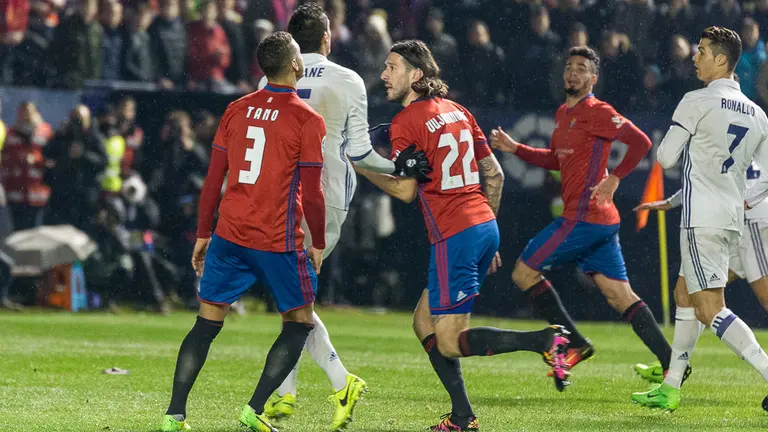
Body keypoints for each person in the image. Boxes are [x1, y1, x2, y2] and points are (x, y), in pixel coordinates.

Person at [356, 39, 571, 432]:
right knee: (424, 324)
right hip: (481, 225)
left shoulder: (407, 122)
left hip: (455, 234)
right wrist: (484, 234)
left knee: (451, 341)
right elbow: (496, 175)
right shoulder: (458, 110)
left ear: (416, 75)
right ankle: (461, 417)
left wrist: (361, 166)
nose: (384, 75)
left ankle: (545, 339)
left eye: (392, 67)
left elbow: (405, 191)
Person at [257, 5, 430, 430]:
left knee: (293, 296)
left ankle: (294, 390)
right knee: (294, 295)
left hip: (280, 198)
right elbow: (360, 153)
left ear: (290, 41)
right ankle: (300, 389)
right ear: (327, 38)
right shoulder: (347, 79)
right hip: (326, 196)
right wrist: (400, 166)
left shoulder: (268, 80)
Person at [161, 31, 328, 432]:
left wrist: (204, 234)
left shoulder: (236, 110)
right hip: (277, 239)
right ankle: (253, 409)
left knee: (205, 325)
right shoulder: (307, 118)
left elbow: (212, 179)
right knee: (300, 323)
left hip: (230, 235)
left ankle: (174, 415)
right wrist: (318, 241)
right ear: (294, 65)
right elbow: (314, 193)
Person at [490, 46, 672, 379]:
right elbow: (554, 159)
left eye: (581, 68)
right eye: (569, 66)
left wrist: (615, 177)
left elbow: (643, 143)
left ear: (593, 78)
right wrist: (515, 148)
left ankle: (574, 343)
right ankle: (672, 363)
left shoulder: (598, 111)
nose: (573, 72)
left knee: (523, 273)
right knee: (620, 296)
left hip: (584, 216)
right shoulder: (562, 113)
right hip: (597, 220)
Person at [631, 26, 768, 412]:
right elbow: (764, 175)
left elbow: (665, 157)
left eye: (703, 51)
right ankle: (671, 385)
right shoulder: (758, 114)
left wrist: (688, 135)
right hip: (730, 219)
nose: (695, 57)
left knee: (709, 308)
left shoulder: (696, 100)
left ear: (721, 60)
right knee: (683, 295)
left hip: (701, 220)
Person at [633, 161, 768, 382]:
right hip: (736, 220)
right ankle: (675, 368)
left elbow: (697, 170)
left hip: (750, 219)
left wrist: (671, 201)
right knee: (689, 293)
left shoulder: (715, 129)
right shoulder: (747, 130)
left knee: (754, 300)